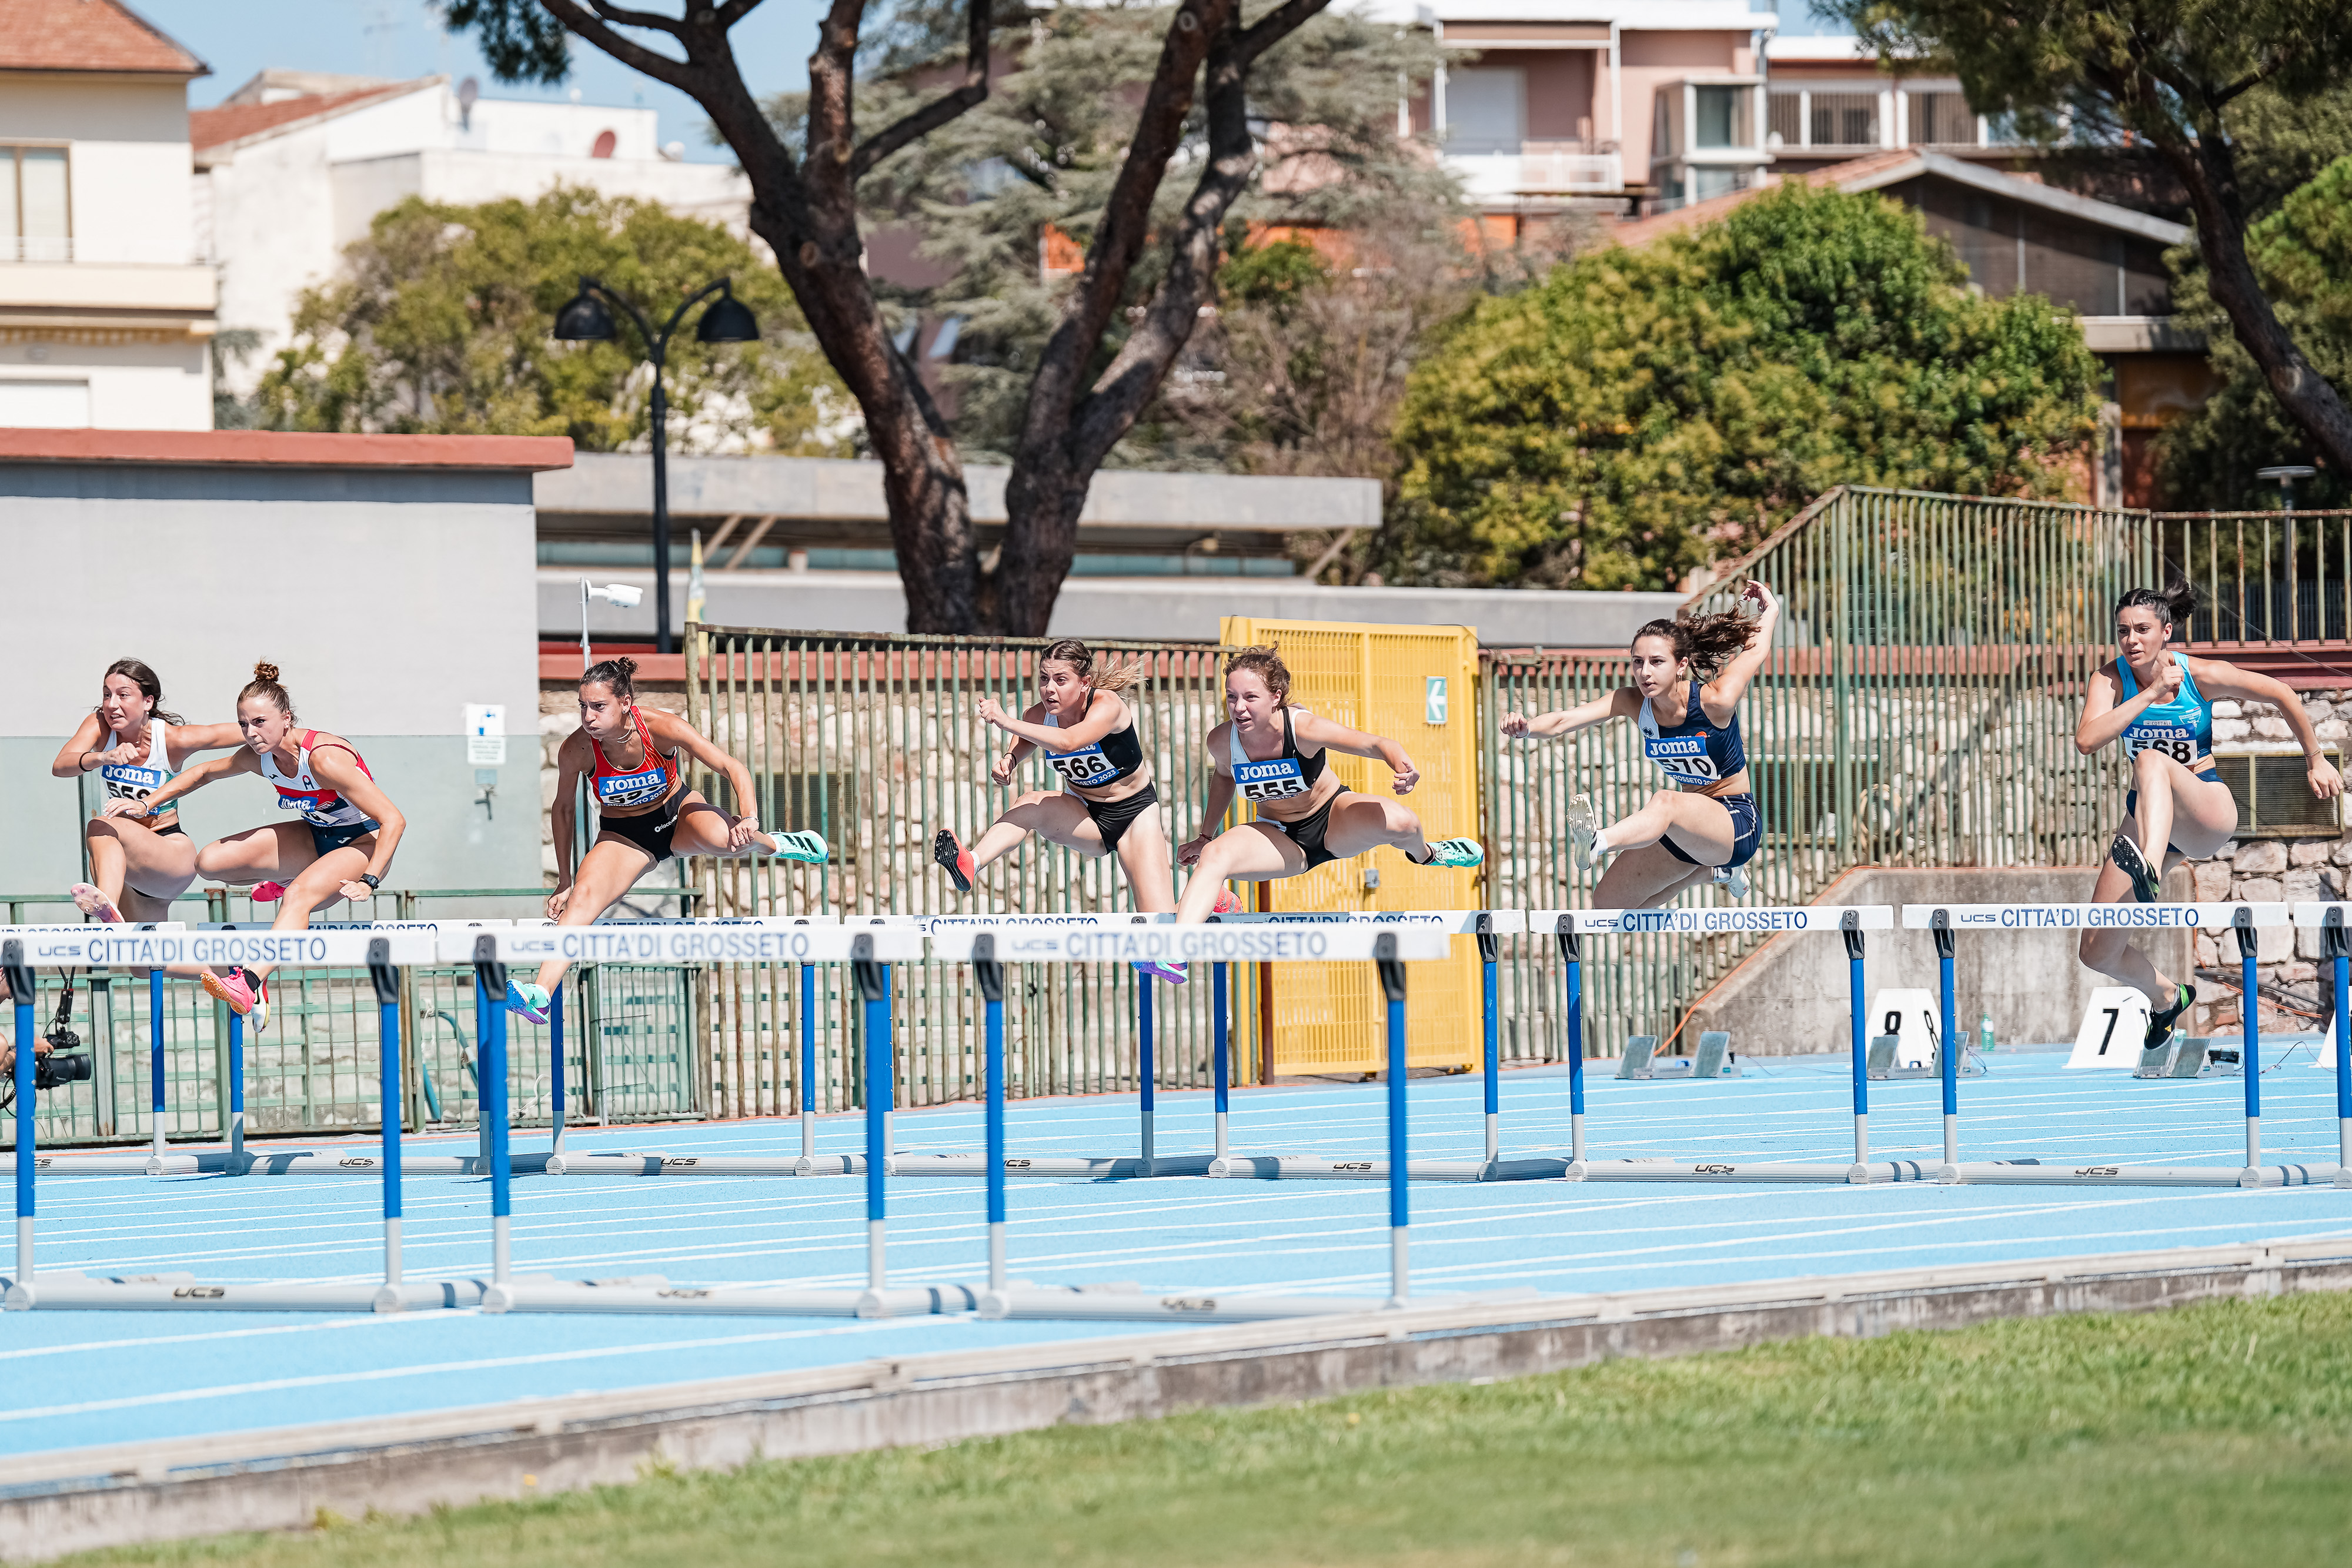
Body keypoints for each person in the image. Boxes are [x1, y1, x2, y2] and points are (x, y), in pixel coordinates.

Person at [2075, 580, 2341, 1050]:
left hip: (2205, 812)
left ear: (2166, 631)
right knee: (2096, 950)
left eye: (2142, 630)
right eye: (2123, 631)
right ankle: (2167, 996)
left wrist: (2315, 758)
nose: (2131, 640)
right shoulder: (2110, 679)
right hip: (2146, 817)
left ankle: (2149, 866)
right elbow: (2087, 739)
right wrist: (2151, 693)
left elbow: (2281, 692)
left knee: (2150, 760)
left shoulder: (2200, 675)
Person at [505, 657, 828, 1022]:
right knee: (582, 897)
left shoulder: (662, 727)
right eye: (583, 707)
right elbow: (563, 810)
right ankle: (541, 994)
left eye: (598, 707)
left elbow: (732, 767)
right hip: (625, 837)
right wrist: (564, 880)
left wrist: (750, 817)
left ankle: (780, 844)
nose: (589, 717)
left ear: (625, 703)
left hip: (678, 817)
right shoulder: (576, 749)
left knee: (730, 840)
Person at [105, 663, 407, 1029]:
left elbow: (394, 819)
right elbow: (203, 773)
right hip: (316, 836)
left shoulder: (324, 759)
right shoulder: (259, 757)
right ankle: (287, 882)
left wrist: (370, 880)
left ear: (287, 719)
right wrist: (147, 803)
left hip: (363, 842)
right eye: (244, 725)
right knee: (210, 862)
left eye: (260, 722)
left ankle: (250, 983)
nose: (251, 734)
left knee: (298, 897)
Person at [933, 638, 1214, 983]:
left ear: (1085, 683)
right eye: (1043, 679)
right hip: (1084, 812)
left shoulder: (1107, 707)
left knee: (1161, 930)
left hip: (1134, 816)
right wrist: (1010, 760)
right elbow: (1028, 739)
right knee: (1031, 803)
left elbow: (1068, 743)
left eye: (1060, 680)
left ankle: (1214, 900)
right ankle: (971, 862)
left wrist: (1004, 721)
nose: (1049, 689)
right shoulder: (1038, 716)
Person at [1499, 582, 1779, 907]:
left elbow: (1754, 652)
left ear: (1681, 665)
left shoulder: (1715, 701)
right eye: (1637, 662)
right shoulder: (1632, 702)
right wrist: (1527, 728)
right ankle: (1715, 873)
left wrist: (1771, 610)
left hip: (1735, 821)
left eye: (1657, 662)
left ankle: (1598, 841)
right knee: (1609, 904)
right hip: (1687, 829)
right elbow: (1564, 720)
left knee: (1665, 801)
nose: (1644, 673)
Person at [1171, 646, 1482, 922]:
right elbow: (1225, 776)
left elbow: (1374, 744)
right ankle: (1176, 952)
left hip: (1333, 820)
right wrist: (1204, 836)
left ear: (1276, 697)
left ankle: (1428, 854)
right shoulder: (1222, 741)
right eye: (1232, 697)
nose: (1239, 708)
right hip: (1277, 835)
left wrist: (1402, 764)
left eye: (1251, 697)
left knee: (1404, 823)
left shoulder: (1303, 728)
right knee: (1213, 855)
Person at [52, 659, 240, 924]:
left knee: (100, 826)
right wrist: (104, 757)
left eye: (123, 695)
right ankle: (111, 916)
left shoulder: (172, 739)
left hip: (170, 854)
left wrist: (291, 735)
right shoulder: (100, 726)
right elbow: (61, 766)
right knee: (144, 949)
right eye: (106, 695)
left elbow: (245, 730)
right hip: (134, 869)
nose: (112, 704)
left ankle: (106, 904)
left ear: (148, 702)